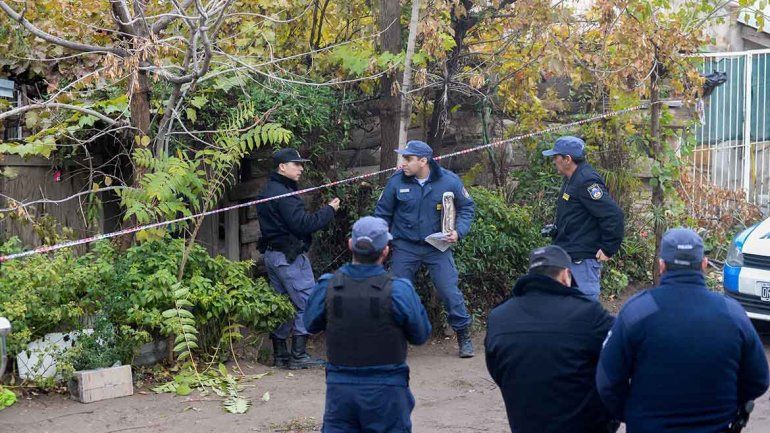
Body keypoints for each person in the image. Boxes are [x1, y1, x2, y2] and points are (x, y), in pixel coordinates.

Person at [596, 228, 770, 433]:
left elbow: (607, 380)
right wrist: (728, 407)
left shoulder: (636, 312)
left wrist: (633, 413)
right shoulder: (732, 314)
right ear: (704, 265)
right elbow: (759, 379)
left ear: (661, 265)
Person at [304, 216, 431, 433]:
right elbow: (420, 335)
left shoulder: (328, 285)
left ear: (350, 245)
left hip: (340, 391)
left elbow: (310, 324)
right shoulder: (399, 290)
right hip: (387, 391)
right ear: (385, 251)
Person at [485, 245, 616, 433]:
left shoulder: (498, 317)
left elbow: (498, 371)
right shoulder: (589, 313)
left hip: (525, 424)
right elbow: (616, 364)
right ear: (565, 275)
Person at [374, 140, 476, 358]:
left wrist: (459, 231)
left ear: (423, 161)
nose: (404, 164)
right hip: (405, 246)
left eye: (408, 159)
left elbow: (467, 208)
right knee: (396, 292)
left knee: (449, 291)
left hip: (437, 247)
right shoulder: (396, 182)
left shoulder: (449, 181)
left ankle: (463, 336)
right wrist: (380, 241)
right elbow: (382, 213)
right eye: (404, 158)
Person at [256, 148, 341, 370]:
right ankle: (298, 355)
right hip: (289, 257)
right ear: (282, 167)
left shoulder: (269, 189)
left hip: (273, 255)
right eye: (296, 164)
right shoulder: (283, 194)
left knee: (282, 303)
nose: (301, 168)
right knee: (308, 302)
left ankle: (280, 355)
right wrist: (329, 211)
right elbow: (304, 224)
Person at [542, 136, 624, 299]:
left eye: (555, 157)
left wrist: (609, 248)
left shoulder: (586, 180)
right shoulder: (571, 178)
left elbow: (613, 214)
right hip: (568, 256)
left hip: (582, 262)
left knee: (585, 314)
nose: (553, 161)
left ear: (567, 159)